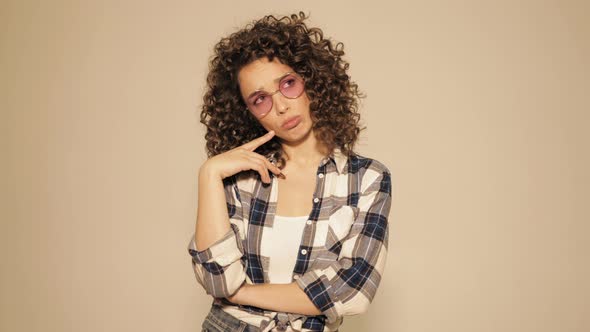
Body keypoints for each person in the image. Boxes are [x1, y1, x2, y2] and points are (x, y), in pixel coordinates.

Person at [187, 11, 392, 332]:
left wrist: (243, 293)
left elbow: (353, 292)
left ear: (311, 79)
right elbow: (218, 280)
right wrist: (209, 174)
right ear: (248, 112)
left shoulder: (367, 179)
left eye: (288, 84)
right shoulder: (238, 179)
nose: (281, 106)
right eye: (260, 99)